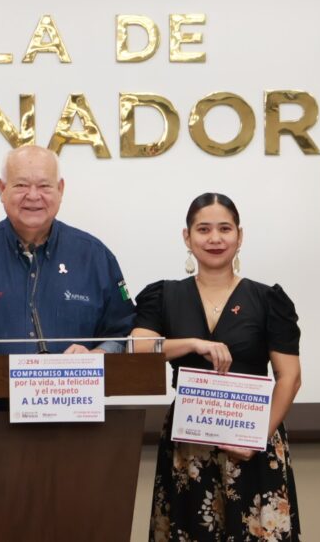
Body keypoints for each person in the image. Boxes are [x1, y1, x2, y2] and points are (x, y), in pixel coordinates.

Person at [0, 144, 135, 541]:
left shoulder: (94, 255)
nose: (33, 196)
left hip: (82, 430)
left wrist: (97, 354)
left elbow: (124, 332)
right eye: (21, 185)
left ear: (61, 189)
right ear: (1, 189)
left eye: (44, 185)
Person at [131, 192, 302, 542]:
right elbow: (139, 347)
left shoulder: (268, 299)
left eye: (224, 229)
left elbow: (290, 377)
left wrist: (257, 438)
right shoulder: (164, 295)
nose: (214, 239)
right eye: (203, 229)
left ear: (239, 236)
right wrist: (193, 344)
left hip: (254, 443)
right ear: (187, 237)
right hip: (189, 447)